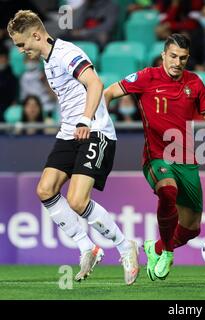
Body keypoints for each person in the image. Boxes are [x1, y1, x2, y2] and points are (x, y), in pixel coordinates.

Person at [7, 10, 140, 285]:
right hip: (70, 132)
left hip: (95, 131)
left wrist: (85, 118)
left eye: (22, 44)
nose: (21, 50)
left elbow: (95, 83)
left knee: (78, 201)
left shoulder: (66, 52)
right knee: (45, 189)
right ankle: (87, 247)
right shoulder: (47, 61)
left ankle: (125, 246)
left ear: (35, 35)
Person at [104, 33, 205, 281]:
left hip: (187, 161)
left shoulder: (195, 83)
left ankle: (155, 247)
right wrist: (100, 126)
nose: (177, 62)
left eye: (182, 58)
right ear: (163, 55)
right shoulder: (146, 77)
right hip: (156, 155)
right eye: (172, 56)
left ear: (187, 58)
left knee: (191, 229)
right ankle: (167, 253)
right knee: (167, 190)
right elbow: (107, 93)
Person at [0, 43, 18, 122]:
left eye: (3, 58)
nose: (1, 60)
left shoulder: (12, 76)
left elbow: (14, 96)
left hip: (8, 108)